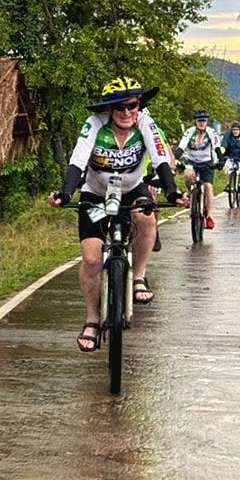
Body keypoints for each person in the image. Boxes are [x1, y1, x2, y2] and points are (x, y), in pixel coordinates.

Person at [48, 77, 187, 352]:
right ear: (108, 110)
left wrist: (171, 192)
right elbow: (77, 160)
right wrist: (65, 193)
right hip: (96, 194)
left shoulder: (146, 123)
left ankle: (139, 277)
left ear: (139, 106)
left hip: (132, 189)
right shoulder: (94, 125)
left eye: (132, 106)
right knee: (91, 258)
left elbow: (160, 159)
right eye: (118, 107)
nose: (126, 113)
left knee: (146, 217)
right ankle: (92, 320)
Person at [176, 109, 220, 229]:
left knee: (208, 187)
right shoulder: (189, 132)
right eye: (199, 121)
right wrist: (175, 159)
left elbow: (217, 147)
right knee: (187, 175)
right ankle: (190, 194)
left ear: (207, 122)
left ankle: (209, 216)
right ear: (195, 121)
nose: (201, 123)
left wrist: (220, 160)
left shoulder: (211, 132)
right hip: (191, 161)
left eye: (204, 121)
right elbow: (181, 147)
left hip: (206, 162)